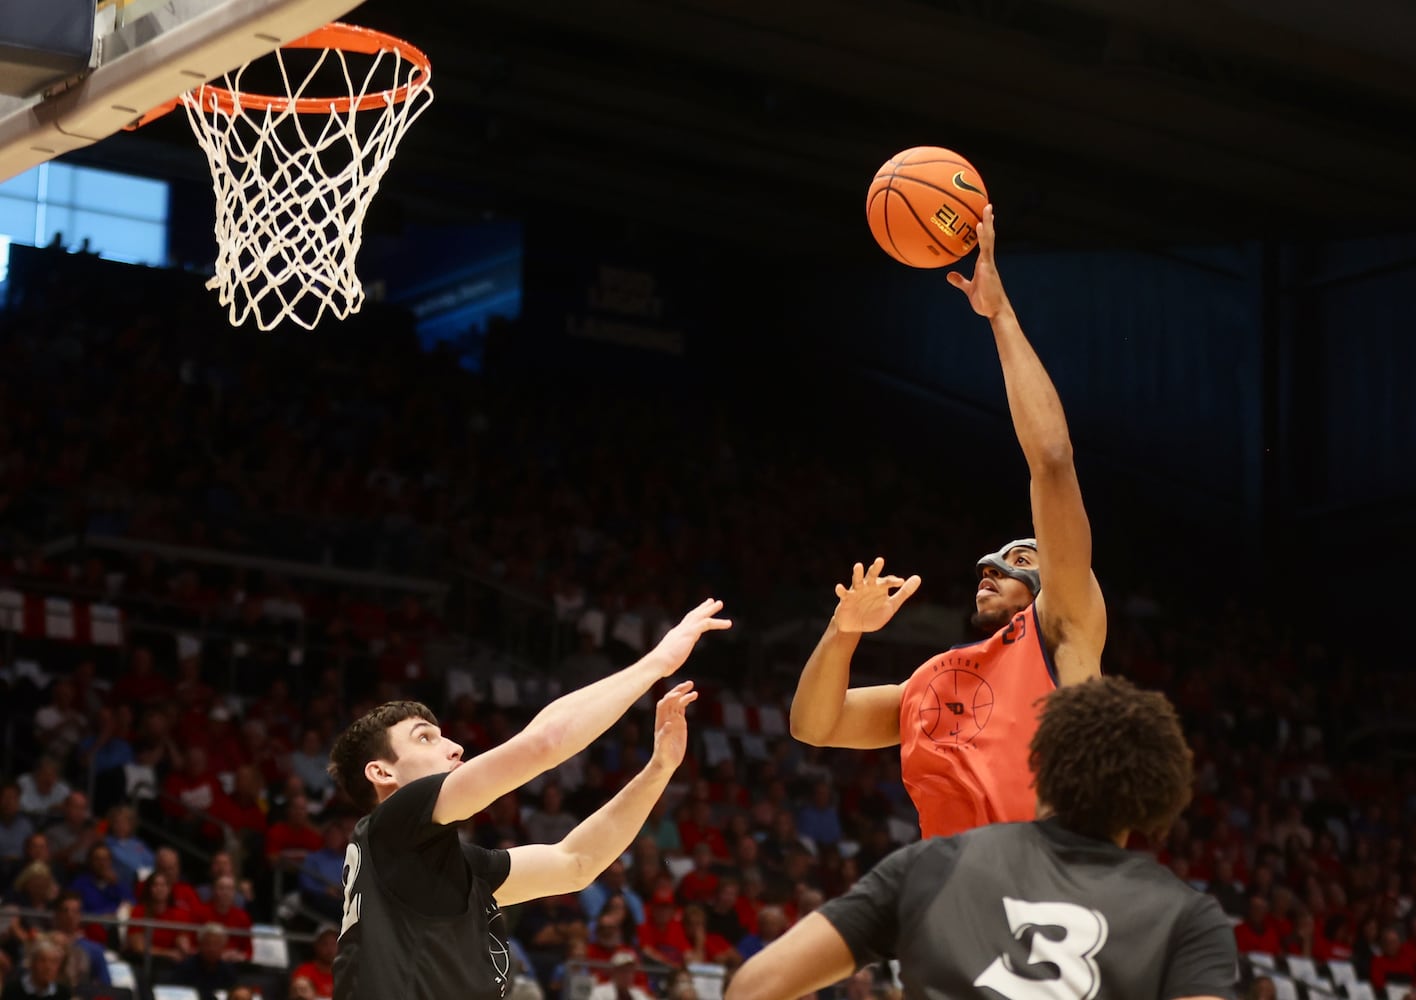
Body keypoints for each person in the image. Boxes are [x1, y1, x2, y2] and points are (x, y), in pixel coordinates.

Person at [789, 204, 1106, 839]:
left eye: (1021, 558)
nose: (992, 564)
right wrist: (843, 630)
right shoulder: (930, 683)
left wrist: (1000, 316)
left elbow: (1051, 461)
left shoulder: (1063, 632)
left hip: (1043, 887)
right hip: (947, 899)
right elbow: (814, 725)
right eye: (993, 558)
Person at [727, 677, 1236, 1000]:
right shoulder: (1187, 918)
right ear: (1160, 797)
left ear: (1039, 765)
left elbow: (754, 987)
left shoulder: (930, 865)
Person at [328, 598, 729, 1000]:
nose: (453, 747)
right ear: (382, 773)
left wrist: (658, 770)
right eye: (424, 738)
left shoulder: (438, 863)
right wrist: (658, 663)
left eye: (443, 734)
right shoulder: (393, 824)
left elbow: (576, 863)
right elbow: (544, 744)